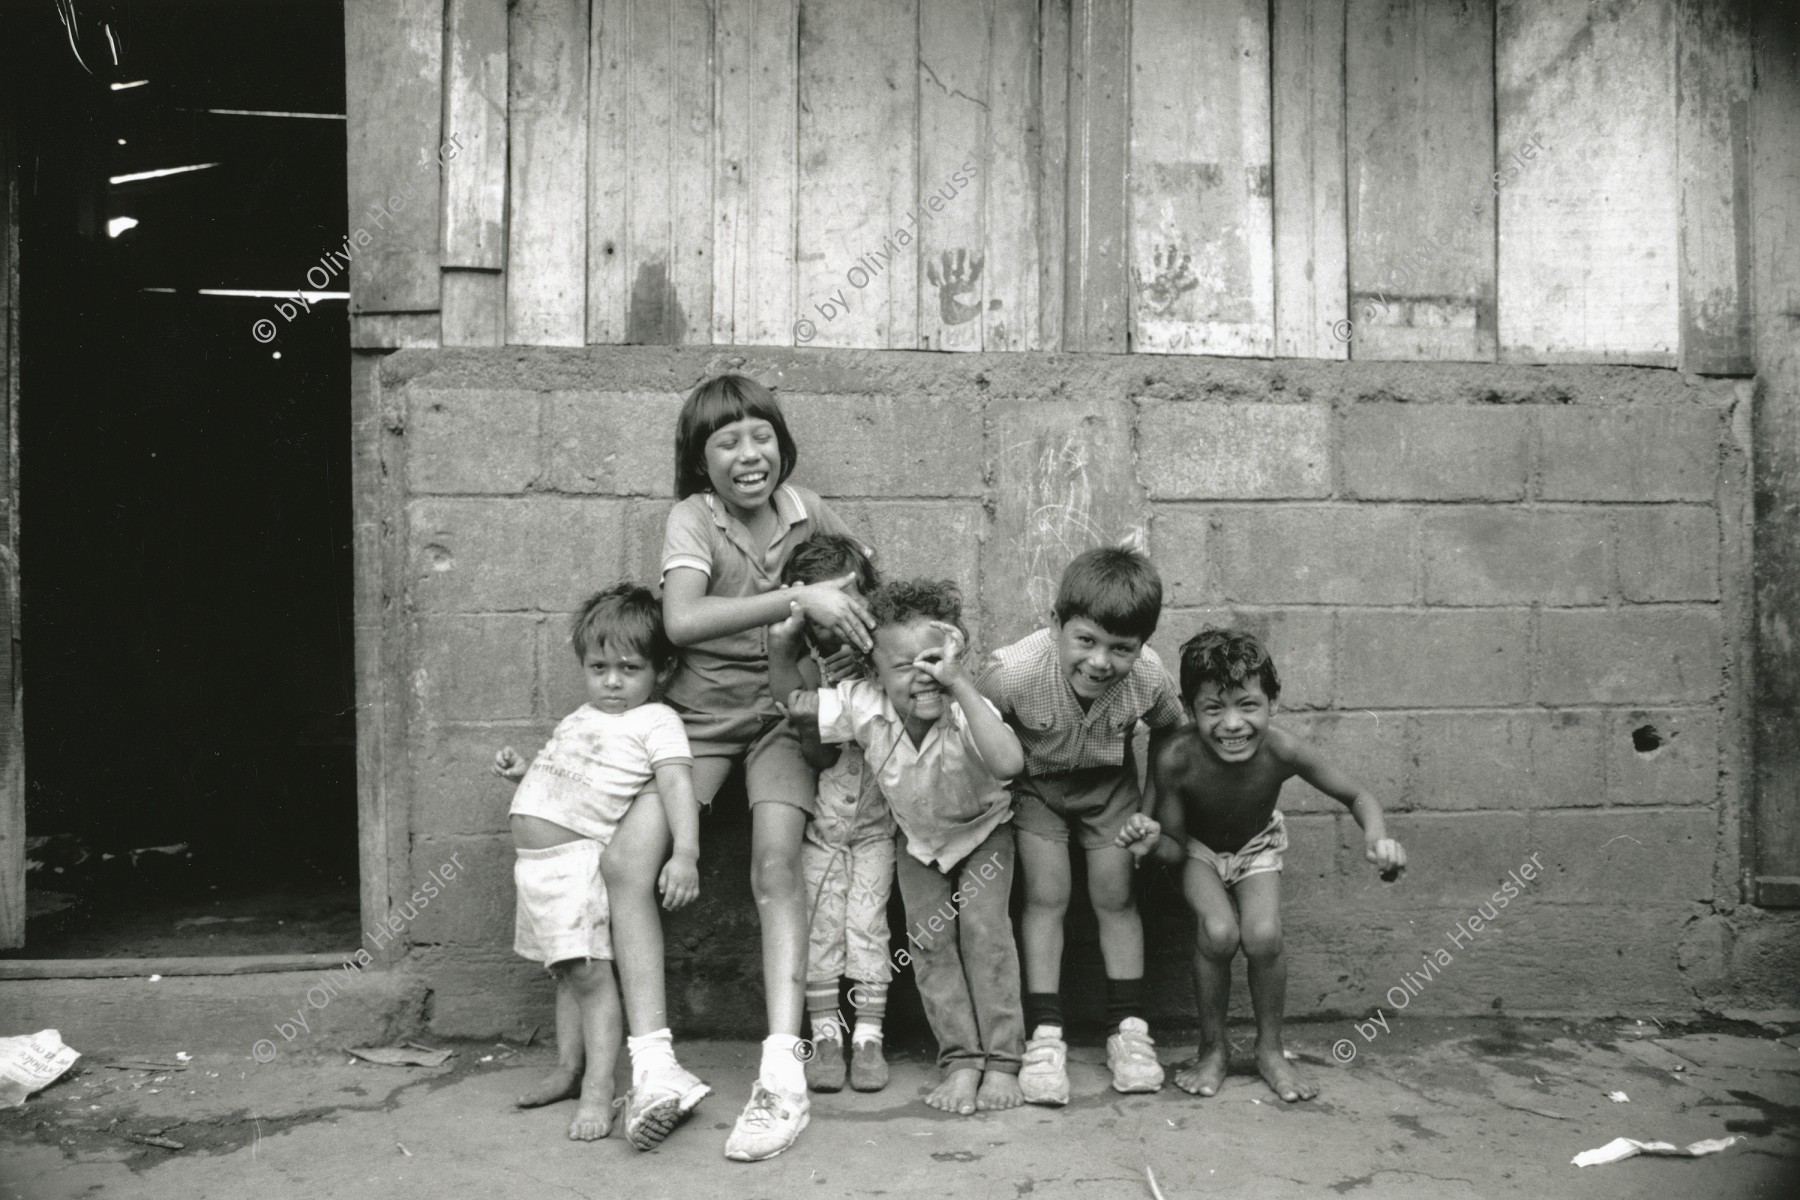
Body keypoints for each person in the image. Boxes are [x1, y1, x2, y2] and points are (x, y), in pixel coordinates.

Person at [603, 373, 874, 1162]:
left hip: (785, 717)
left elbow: (854, 579)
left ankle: (782, 1071)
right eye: (726, 442)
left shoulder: (808, 507)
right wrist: (800, 595)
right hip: (700, 722)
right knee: (627, 862)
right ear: (700, 461)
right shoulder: (692, 519)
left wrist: (844, 603)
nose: (748, 454)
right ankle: (654, 1067)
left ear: (781, 445)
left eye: (760, 436)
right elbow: (682, 620)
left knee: (776, 865)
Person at [771, 578, 1028, 1117]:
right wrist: (784, 653)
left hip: (985, 831)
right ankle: (961, 1059)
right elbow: (794, 703)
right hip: (919, 841)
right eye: (902, 666)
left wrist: (959, 686)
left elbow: (1008, 766)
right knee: (929, 943)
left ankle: (1003, 1060)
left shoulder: (964, 705)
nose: (923, 676)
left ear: (956, 656)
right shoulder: (864, 706)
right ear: (875, 674)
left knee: (984, 930)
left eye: (934, 659)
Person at [1119, 626, 1408, 1102]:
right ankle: (1213, 1049)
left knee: (1264, 934)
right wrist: (1148, 842)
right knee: (1218, 932)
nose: (1232, 723)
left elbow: (1358, 796)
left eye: (1248, 705)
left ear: (1273, 703)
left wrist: (1379, 840)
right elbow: (1172, 846)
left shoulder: (1283, 749)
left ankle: (1270, 1050)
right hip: (1197, 849)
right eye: (1214, 708)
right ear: (1191, 711)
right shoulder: (1175, 758)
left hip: (1258, 845)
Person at [491, 583, 707, 1145]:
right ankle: (568, 1070)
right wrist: (524, 773)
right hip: (536, 868)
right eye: (598, 667)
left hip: (573, 864)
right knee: (566, 972)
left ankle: (598, 1087)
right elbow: (574, 775)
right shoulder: (582, 715)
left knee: (589, 976)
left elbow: (677, 784)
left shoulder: (656, 722)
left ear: (661, 669)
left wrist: (685, 852)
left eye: (629, 668)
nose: (612, 682)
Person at [975, 547, 1187, 1104]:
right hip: (1037, 789)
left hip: (1110, 788)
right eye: (1086, 640)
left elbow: (1171, 732)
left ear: (1141, 645)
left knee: (1115, 897)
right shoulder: (1014, 672)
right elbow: (974, 725)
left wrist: (1151, 807)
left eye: (1122, 648)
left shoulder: (1148, 676)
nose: (1100, 662)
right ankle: (1044, 1035)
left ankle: (1129, 1029)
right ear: (1055, 624)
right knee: (1047, 895)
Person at [777, 534, 896, 1093]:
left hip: (877, 833)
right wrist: (812, 710)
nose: (839, 627)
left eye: (853, 606)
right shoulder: (807, 669)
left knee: (868, 929)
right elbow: (818, 756)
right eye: (826, 614)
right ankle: (826, 1038)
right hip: (824, 835)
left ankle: (868, 1038)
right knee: (821, 930)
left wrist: (867, 673)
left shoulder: (889, 664)